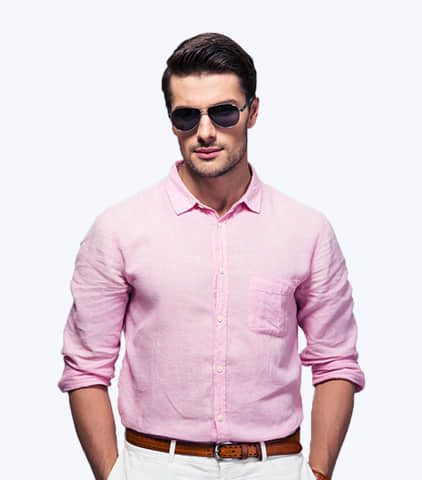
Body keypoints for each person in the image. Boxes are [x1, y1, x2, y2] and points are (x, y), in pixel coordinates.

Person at [58, 32, 365, 480]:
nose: (204, 132)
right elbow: (86, 367)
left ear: (252, 112)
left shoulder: (307, 231)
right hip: (155, 465)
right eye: (187, 116)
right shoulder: (118, 229)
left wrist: (317, 473)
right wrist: (113, 474)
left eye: (223, 112)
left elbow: (336, 359)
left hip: (274, 465)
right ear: (171, 121)